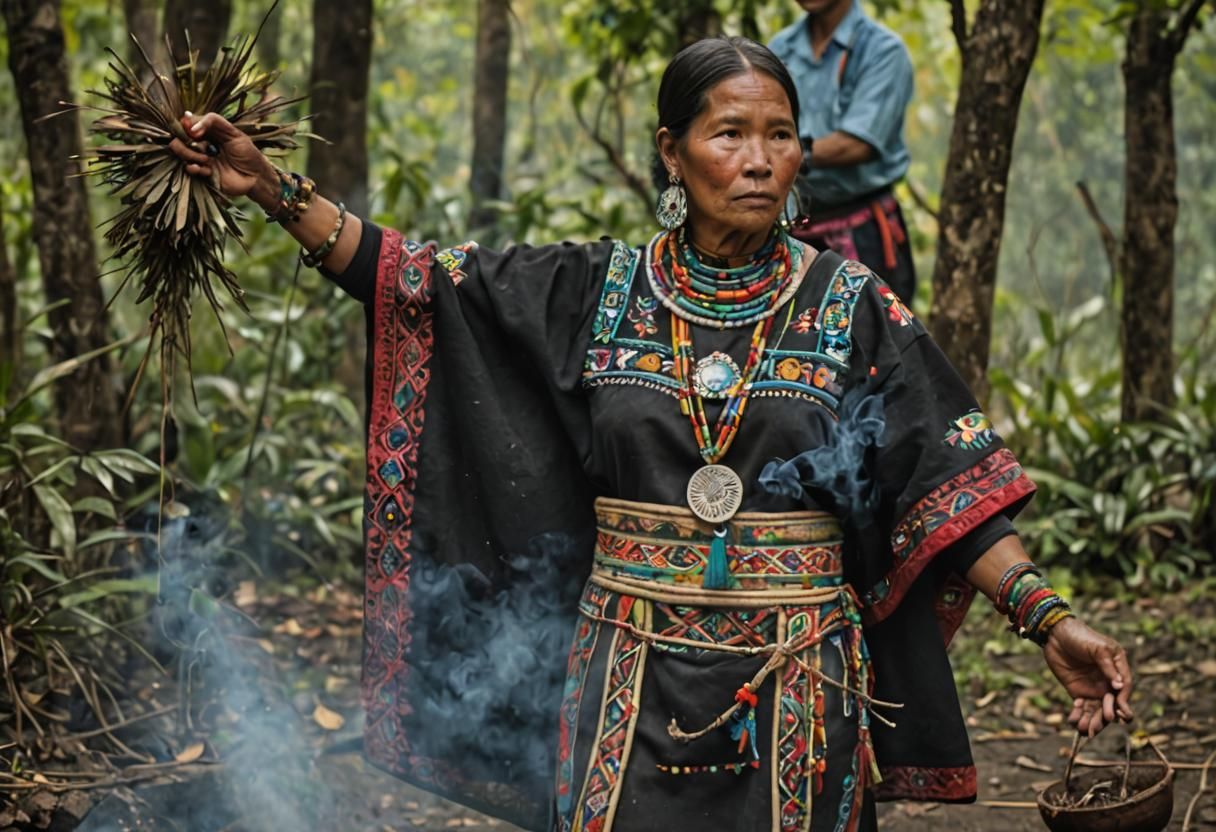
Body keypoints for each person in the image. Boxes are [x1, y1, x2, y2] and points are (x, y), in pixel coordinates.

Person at [171, 37, 1133, 832]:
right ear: (672, 152)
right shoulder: (596, 290)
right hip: (626, 676)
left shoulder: (853, 305)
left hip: (798, 677)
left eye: (781, 137)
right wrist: (270, 190)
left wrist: (1048, 617)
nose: (759, 160)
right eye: (730, 135)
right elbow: (414, 279)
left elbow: (945, 482)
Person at [769, 0, 918, 305]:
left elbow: (858, 144)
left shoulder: (883, 50)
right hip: (792, 228)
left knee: (872, 342)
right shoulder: (780, 50)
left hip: (865, 233)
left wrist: (781, 151)